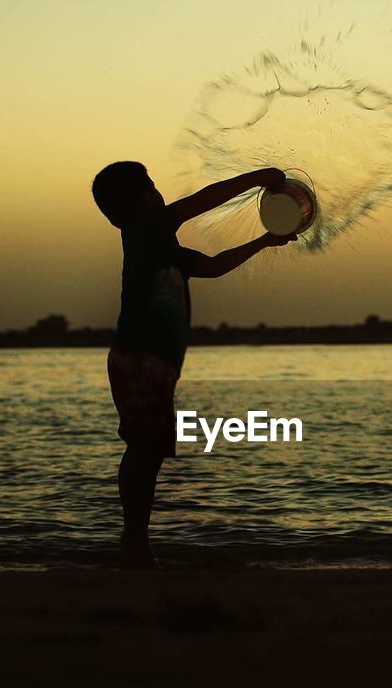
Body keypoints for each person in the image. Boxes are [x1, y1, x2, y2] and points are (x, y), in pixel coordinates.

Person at [92, 161, 296, 568]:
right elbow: (204, 200)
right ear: (139, 202)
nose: (160, 194)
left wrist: (265, 241)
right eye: (152, 187)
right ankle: (133, 542)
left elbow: (216, 266)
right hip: (140, 358)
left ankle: (136, 541)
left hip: (153, 365)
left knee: (147, 451)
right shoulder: (146, 230)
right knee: (142, 449)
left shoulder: (166, 251)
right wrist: (259, 178)